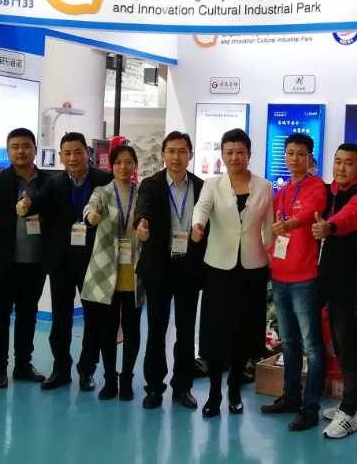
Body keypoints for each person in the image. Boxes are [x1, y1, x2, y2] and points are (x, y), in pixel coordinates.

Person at [18, 132, 112, 392]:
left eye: (78, 152)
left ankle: (87, 370)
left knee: (93, 320)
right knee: (61, 319)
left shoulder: (103, 181)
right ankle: (61, 369)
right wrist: (27, 207)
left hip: (94, 261)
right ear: (60, 156)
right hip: (61, 262)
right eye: (67, 153)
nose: (72, 158)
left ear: (88, 153)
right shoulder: (54, 182)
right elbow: (37, 203)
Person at [190, 128, 273, 418]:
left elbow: (269, 228)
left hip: (253, 268)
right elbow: (201, 209)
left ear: (249, 154)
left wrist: (273, 259)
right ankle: (214, 393)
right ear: (222, 155)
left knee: (244, 332)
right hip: (218, 269)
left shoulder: (265, 186)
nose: (234, 157)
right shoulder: (212, 184)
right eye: (229, 152)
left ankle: (235, 390)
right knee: (216, 331)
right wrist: (198, 226)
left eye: (240, 152)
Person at [134, 131, 206, 410]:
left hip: (189, 267)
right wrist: (141, 223)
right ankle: (154, 387)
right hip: (158, 268)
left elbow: (207, 219)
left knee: (186, 332)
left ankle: (183, 387)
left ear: (190, 155)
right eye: (171, 151)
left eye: (182, 151)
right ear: (162, 154)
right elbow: (143, 208)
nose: (176, 157)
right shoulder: (151, 184)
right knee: (156, 329)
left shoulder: (200, 186)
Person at [260, 133, 328, 431]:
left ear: (310, 157)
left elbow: (309, 214)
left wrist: (292, 223)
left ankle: (310, 407)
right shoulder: (283, 190)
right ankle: (290, 396)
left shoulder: (317, 186)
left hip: (305, 277)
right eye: (290, 153)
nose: (295, 159)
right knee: (288, 342)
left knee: (312, 345)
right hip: (280, 275)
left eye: (301, 154)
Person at [313, 143, 357, 438]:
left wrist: (330, 226)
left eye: (348, 163)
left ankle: (349, 412)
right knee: (342, 346)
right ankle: (355, 406)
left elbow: (354, 214)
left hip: (354, 286)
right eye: (337, 161)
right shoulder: (338, 190)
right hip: (338, 284)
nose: (340, 168)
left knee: (352, 348)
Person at [0, 128, 48, 389]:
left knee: (28, 314)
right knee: (0, 315)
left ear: (35, 149)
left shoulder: (47, 182)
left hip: (35, 262)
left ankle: (23, 364)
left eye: (26, 145)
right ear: (8, 152)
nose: (21, 151)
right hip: (3, 262)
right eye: (15, 146)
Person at [81, 145, 144, 402]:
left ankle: (126, 379)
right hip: (106, 271)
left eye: (129, 162)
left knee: (132, 329)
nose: (123, 167)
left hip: (134, 272)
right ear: (111, 166)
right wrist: (91, 216)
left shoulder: (143, 193)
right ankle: (109, 379)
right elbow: (90, 207)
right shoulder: (102, 191)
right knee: (107, 330)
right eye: (118, 162)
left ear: (135, 165)